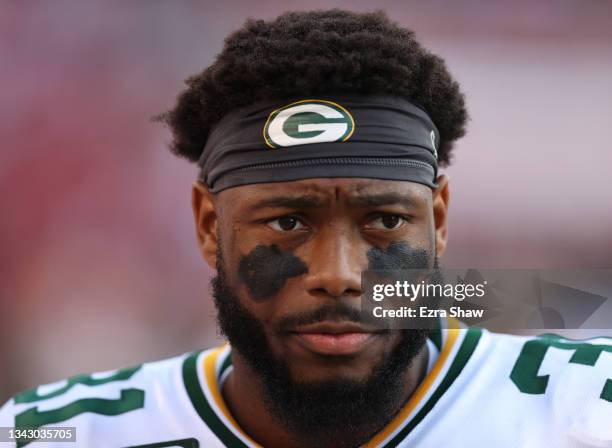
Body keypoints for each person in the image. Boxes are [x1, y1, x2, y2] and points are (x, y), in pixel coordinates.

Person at [1, 9, 611, 448]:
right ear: (210, 225)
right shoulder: (50, 433)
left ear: (439, 221)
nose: (340, 276)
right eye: (288, 221)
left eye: (386, 221)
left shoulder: (589, 406)